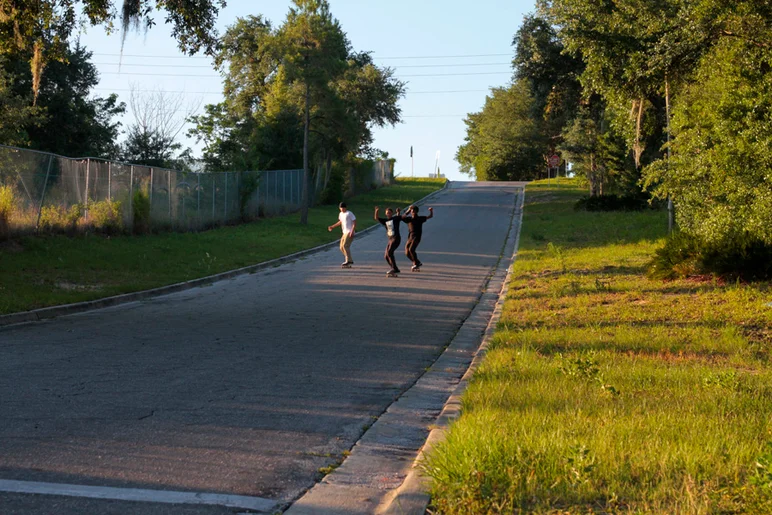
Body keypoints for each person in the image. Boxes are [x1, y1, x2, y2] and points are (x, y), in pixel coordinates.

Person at [401, 204, 433, 271]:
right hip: (410, 237)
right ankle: (417, 262)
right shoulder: (409, 219)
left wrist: (431, 211)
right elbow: (402, 217)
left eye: (414, 211)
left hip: (417, 237)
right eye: (412, 211)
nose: (413, 212)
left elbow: (430, 216)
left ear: (416, 212)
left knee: (411, 250)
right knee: (407, 252)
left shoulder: (420, 218)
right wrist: (408, 210)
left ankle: (416, 263)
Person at [374, 206, 402, 275]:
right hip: (390, 239)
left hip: (396, 239)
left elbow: (401, 217)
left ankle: (394, 269)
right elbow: (376, 218)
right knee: (386, 256)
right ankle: (394, 268)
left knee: (389, 252)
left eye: (389, 213)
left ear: (392, 213)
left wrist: (400, 212)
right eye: (387, 213)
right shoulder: (385, 221)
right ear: (386, 214)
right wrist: (377, 211)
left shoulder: (395, 219)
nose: (388, 214)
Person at [328, 202, 356, 267]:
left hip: (349, 231)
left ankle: (348, 260)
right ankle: (349, 260)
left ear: (345, 208)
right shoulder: (341, 214)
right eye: (341, 208)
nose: (342, 209)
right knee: (341, 247)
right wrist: (332, 226)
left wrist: (352, 231)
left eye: (343, 208)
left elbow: (354, 222)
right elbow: (340, 222)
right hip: (344, 232)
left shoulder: (349, 213)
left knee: (345, 246)